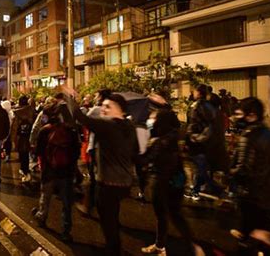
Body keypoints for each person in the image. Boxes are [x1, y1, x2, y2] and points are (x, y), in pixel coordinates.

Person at [62, 86, 138, 255]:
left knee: (107, 222)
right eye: (103, 105)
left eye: (108, 107)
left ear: (120, 110)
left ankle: (113, 250)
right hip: (124, 183)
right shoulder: (130, 126)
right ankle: (114, 246)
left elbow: (80, 117)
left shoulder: (109, 125)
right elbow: (136, 152)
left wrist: (69, 97)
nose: (103, 109)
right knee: (113, 216)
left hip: (108, 183)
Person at [141, 109, 204, 256]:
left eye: (153, 117)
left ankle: (161, 247)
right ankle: (193, 246)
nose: (150, 120)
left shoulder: (159, 141)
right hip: (177, 182)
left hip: (161, 183)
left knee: (162, 216)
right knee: (175, 215)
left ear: (160, 121)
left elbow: (144, 160)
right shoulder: (175, 135)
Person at [230, 97, 270, 254]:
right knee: (262, 232)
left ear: (251, 115)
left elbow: (243, 170)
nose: (235, 118)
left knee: (258, 237)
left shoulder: (248, 137)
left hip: (253, 196)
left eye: (239, 114)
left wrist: (229, 173)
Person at [33, 104, 80, 242]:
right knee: (66, 203)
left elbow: (38, 152)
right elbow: (76, 152)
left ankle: (42, 217)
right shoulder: (71, 131)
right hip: (66, 172)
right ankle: (66, 230)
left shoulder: (45, 131)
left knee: (45, 197)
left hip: (49, 171)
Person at [185, 84, 218, 201]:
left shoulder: (195, 106)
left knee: (200, 167)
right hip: (208, 140)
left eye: (194, 92)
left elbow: (192, 124)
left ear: (198, 93)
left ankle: (197, 189)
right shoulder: (210, 106)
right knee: (201, 166)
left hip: (197, 140)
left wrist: (191, 137)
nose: (193, 94)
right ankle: (199, 187)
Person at [10, 96, 35, 182]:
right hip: (30, 135)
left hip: (21, 136)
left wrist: (12, 139)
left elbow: (14, 127)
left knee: (22, 154)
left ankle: (25, 172)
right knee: (27, 154)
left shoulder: (17, 113)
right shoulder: (32, 111)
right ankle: (25, 170)